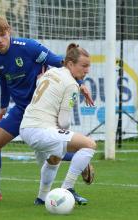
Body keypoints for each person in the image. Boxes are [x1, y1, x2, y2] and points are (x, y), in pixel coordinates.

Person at [0, 15, 94, 202]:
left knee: (51, 154)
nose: (0, 40)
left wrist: (80, 82)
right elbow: (4, 79)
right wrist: (4, 105)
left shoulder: (29, 47)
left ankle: (79, 158)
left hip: (42, 109)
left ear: (9, 31)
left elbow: (60, 61)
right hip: (21, 110)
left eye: (3, 35)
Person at [20, 43, 96, 205]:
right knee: (89, 144)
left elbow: (40, 85)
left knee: (55, 158)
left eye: (89, 66)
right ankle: (67, 189)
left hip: (26, 128)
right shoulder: (71, 84)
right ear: (70, 64)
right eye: (84, 66)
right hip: (41, 130)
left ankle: (41, 198)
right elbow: (63, 121)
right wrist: (68, 137)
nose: (87, 70)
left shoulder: (51, 72)